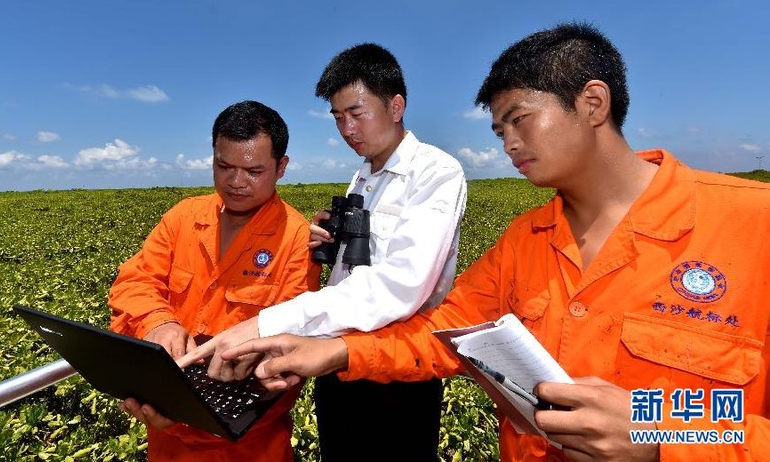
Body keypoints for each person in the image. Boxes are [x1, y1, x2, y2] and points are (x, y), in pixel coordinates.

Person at [220, 23, 770, 461]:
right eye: (498, 130)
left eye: (519, 120)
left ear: (593, 104)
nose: (507, 143)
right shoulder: (524, 243)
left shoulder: (752, 224)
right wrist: (334, 350)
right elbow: (440, 334)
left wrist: (664, 432)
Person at [180, 43, 468, 462]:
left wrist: (272, 323)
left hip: (398, 368)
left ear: (397, 105)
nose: (347, 129)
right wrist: (334, 248)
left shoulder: (436, 172)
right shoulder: (364, 175)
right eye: (337, 118)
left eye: (356, 113)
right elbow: (365, 266)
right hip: (335, 363)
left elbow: (401, 286)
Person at [107, 100, 321, 462]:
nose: (236, 182)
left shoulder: (296, 240)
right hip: (166, 441)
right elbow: (134, 281)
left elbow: (291, 346)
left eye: (253, 171)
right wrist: (159, 322)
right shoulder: (183, 216)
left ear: (281, 167)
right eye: (224, 166)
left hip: (246, 446)